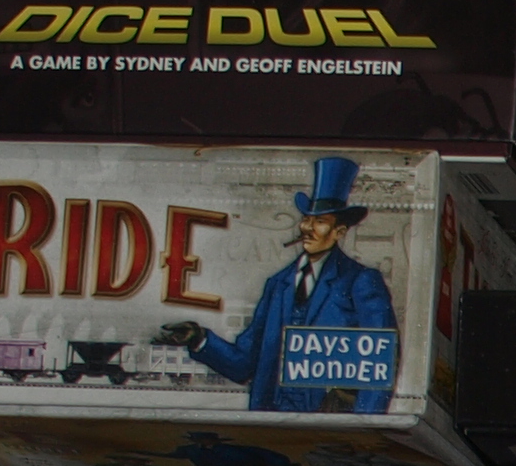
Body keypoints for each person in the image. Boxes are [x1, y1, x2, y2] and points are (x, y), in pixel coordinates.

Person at [165, 154, 400, 412]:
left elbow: (380, 363)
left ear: (339, 232)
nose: (308, 228)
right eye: (306, 219)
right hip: (271, 424)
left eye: (320, 222)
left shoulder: (360, 281)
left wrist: (361, 425)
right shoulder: (278, 285)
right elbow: (244, 363)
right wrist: (199, 339)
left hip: (329, 426)